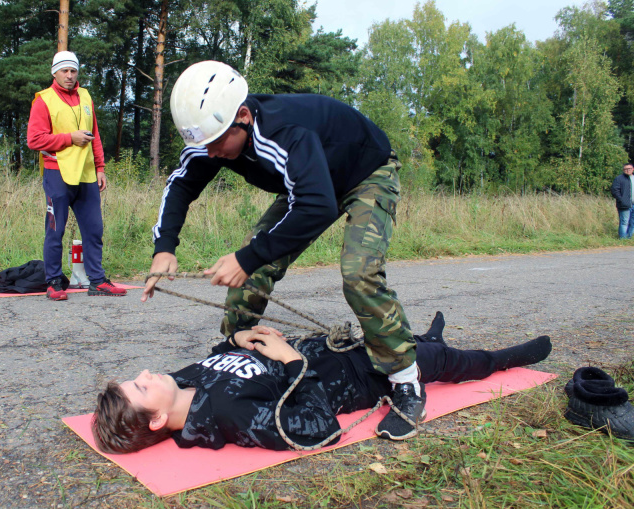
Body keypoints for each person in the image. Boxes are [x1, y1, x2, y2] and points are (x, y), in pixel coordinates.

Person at [142, 60, 422, 439]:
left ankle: (406, 380)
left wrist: (249, 257)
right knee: (252, 264)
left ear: (242, 116)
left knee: (358, 273)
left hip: (365, 173)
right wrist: (164, 248)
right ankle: (237, 349)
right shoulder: (215, 137)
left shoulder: (283, 131)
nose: (210, 154)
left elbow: (317, 206)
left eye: (217, 143)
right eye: (202, 145)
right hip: (309, 185)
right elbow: (180, 185)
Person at [91, 313, 553, 453]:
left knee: (406, 334)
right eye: (141, 387)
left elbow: (216, 357)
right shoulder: (227, 416)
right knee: (447, 361)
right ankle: (507, 358)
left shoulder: (184, 384)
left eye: (137, 377)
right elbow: (315, 428)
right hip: (363, 374)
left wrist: (237, 338)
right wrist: (293, 362)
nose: (147, 374)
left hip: (335, 347)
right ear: (155, 421)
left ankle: (427, 338)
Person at [27, 51, 126, 300]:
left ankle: (97, 281)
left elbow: (94, 134)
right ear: (54, 72)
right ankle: (53, 283)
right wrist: (70, 138)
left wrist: (101, 168)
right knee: (55, 230)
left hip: (87, 174)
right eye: (64, 71)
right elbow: (34, 140)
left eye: (73, 71)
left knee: (94, 230)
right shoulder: (44, 100)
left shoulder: (85, 95)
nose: (69, 76)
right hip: (57, 173)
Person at [611, 163, 634, 239]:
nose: (628, 170)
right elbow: (615, 191)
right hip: (624, 204)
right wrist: (622, 200)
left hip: (633, 204)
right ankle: (623, 238)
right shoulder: (619, 179)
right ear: (623, 170)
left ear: (632, 169)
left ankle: (629, 237)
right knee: (624, 222)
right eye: (626, 169)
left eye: (629, 169)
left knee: (632, 222)